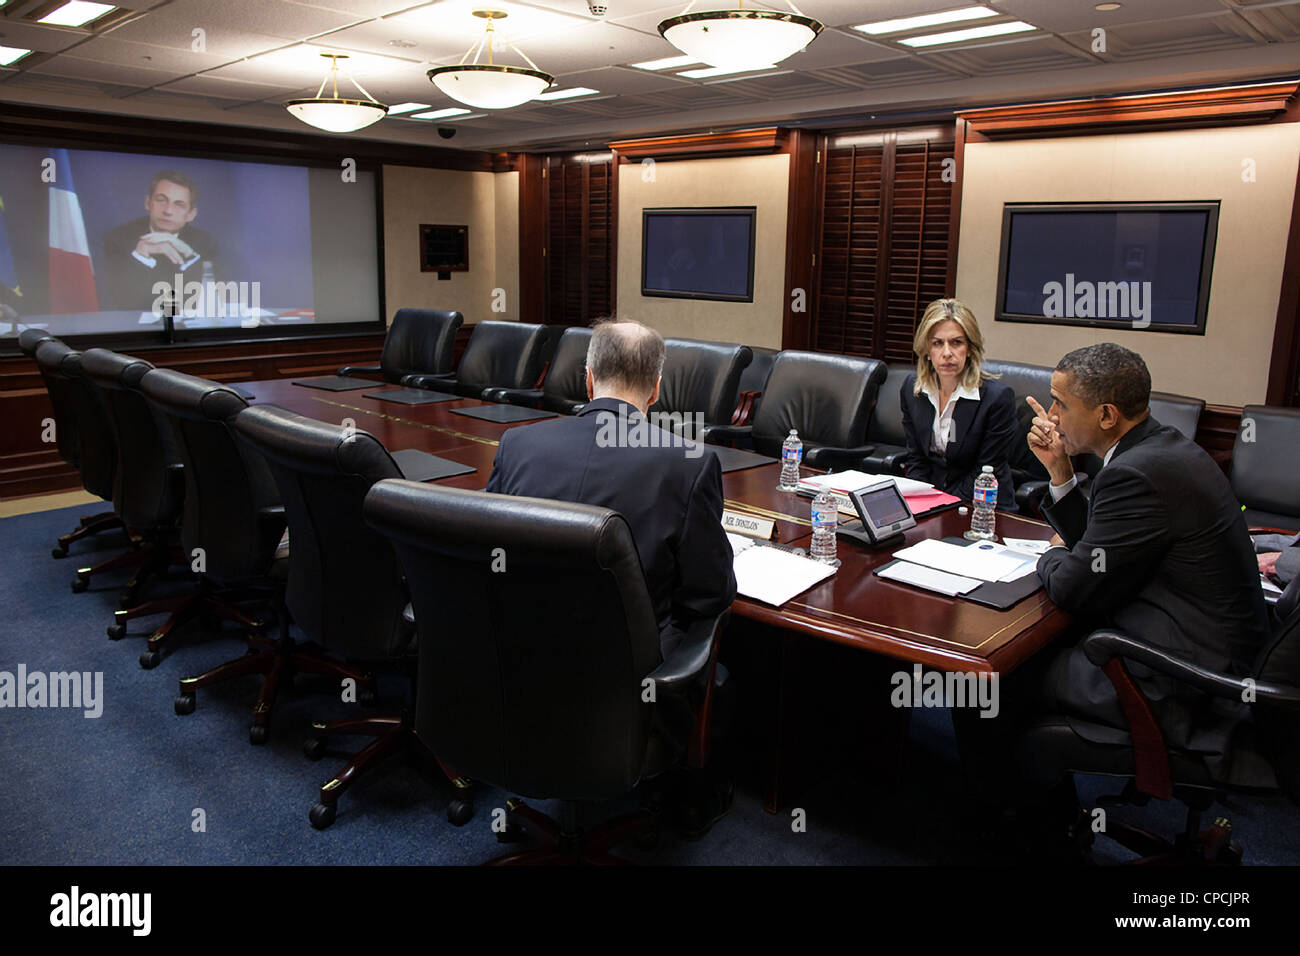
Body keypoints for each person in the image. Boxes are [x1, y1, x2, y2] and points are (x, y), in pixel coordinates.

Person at [485, 319, 737, 837]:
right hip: (627, 690)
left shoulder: (517, 446)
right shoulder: (689, 464)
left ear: (586, 378)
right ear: (658, 388)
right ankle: (692, 793)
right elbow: (711, 595)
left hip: (517, 669)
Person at [1025, 343, 1270, 753]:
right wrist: (1060, 472)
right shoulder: (1160, 449)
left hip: (1184, 680)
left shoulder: (1134, 473)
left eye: (1061, 404)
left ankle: (1010, 808)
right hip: (1213, 651)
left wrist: (1048, 554)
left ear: (1106, 415)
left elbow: (1072, 586)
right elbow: (1105, 547)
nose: (1051, 416)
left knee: (1001, 674)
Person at [900, 298, 1018, 509]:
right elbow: (916, 458)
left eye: (956, 342)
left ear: (970, 349)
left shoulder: (996, 399)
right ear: (927, 350)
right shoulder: (913, 390)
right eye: (937, 343)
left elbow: (985, 469)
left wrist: (943, 506)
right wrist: (921, 504)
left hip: (983, 506)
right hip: (933, 498)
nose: (947, 353)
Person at [101, 170, 219, 312]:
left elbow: (208, 304)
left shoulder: (206, 243)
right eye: (161, 200)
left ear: (191, 214)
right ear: (148, 203)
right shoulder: (117, 238)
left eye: (179, 204)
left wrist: (189, 256)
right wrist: (141, 257)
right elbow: (121, 303)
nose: (168, 211)